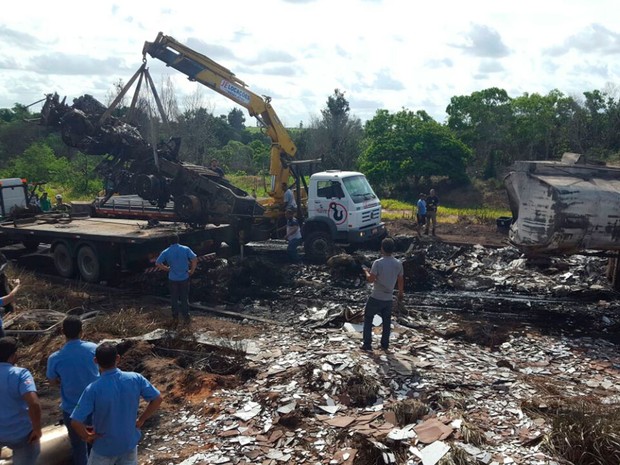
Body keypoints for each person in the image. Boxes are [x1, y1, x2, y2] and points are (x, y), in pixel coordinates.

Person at [71, 342, 162, 465]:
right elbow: (157, 399)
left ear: (95, 361)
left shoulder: (92, 389)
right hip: (128, 444)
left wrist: (87, 437)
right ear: (118, 358)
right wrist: (142, 419)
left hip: (104, 448)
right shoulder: (135, 379)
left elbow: (75, 421)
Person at [46, 316, 99, 465]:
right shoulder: (93, 349)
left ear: (63, 332)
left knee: (78, 446)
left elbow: (52, 382)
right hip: (96, 404)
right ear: (81, 331)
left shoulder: (55, 358)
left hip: (72, 409)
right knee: (98, 442)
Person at [0, 336, 42, 465]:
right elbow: (33, 403)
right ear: (13, 356)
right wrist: (37, 429)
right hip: (21, 433)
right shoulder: (21, 374)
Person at [361, 237, 404, 352]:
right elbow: (400, 280)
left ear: (382, 249)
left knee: (368, 318)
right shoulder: (398, 264)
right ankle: (384, 345)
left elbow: (370, 279)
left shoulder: (378, 263)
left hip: (376, 296)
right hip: (389, 298)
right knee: (386, 322)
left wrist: (366, 271)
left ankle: (367, 344)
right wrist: (400, 293)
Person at [155, 234, 198, 326]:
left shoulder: (166, 251)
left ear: (169, 241)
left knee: (174, 298)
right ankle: (186, 317)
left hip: (172, 278)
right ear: (178, 240)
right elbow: (194, 259)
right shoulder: (185, 249)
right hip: (184, 277)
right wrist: (192, 270)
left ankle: (175, 317)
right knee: (184, 298)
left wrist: (167, 269)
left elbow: (158, 263)